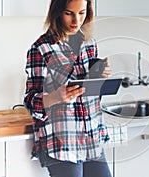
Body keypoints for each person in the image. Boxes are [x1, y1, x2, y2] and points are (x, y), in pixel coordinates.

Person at [23, 0, 112, 176]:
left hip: (90, 136)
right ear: (57, 12)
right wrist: (56, 96)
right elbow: (30, 101)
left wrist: (98, 79)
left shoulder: (89, 44)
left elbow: (88, 95)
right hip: (61, 142)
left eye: (81, 13)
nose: (76, 21)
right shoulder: (40, 49)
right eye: (69, 13)